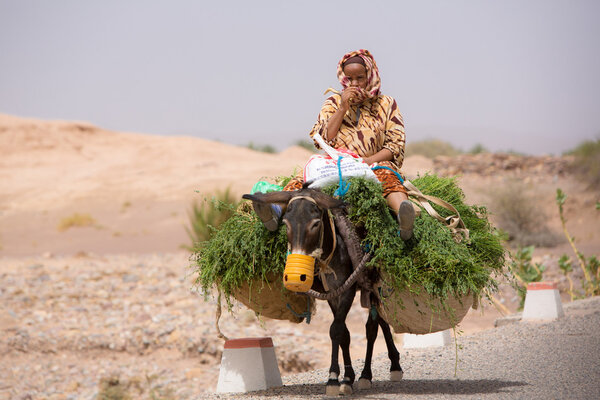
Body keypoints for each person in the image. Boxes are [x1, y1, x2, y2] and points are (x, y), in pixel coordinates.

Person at [255, 49, 415, 240]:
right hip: (335, 163)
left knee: (388, 176)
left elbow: (394, 144)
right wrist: (342, 108)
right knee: (303, 178)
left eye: (360, 78)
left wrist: (368, 160)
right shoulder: (333, 102)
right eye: (350, 79)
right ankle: (274, 211)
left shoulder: (386, 103)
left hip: (372, 163)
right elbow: (322, 138)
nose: (354, 83)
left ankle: (404, 218)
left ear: (370, 76)